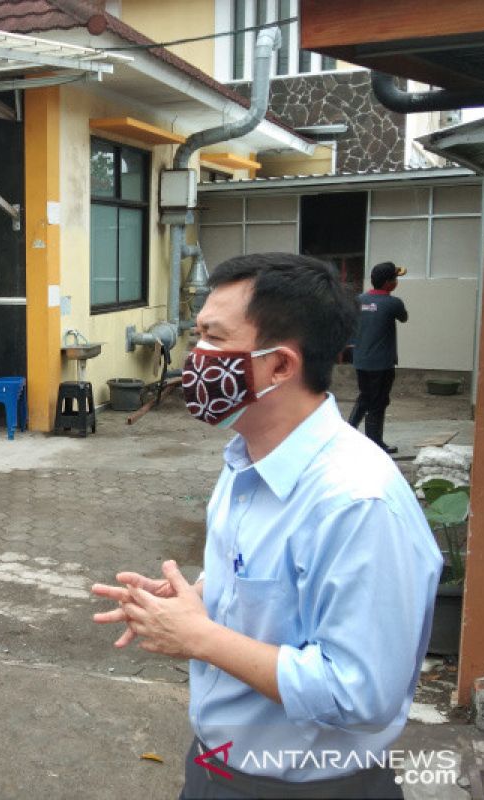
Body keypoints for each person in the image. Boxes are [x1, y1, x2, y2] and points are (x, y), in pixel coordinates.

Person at [92, 253, 442, 799]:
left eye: (212, 338)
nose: (194, 357)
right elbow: (264, 588)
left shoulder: (357, 503)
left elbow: (360, 693)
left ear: (280, 365)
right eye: (197, 335)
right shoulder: (246, 460)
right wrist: (192, 601)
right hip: (217, 767)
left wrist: (200, 638)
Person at [348, 261, 409, 454]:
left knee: (365, 398)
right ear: (388, 282)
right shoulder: (393, 303)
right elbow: (404, 317)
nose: (397, 281)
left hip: (361, 360)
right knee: (378, 403)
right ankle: (374, 444)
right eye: (396, 278)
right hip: (381, 363)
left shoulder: (358, 300)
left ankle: (347, 433)